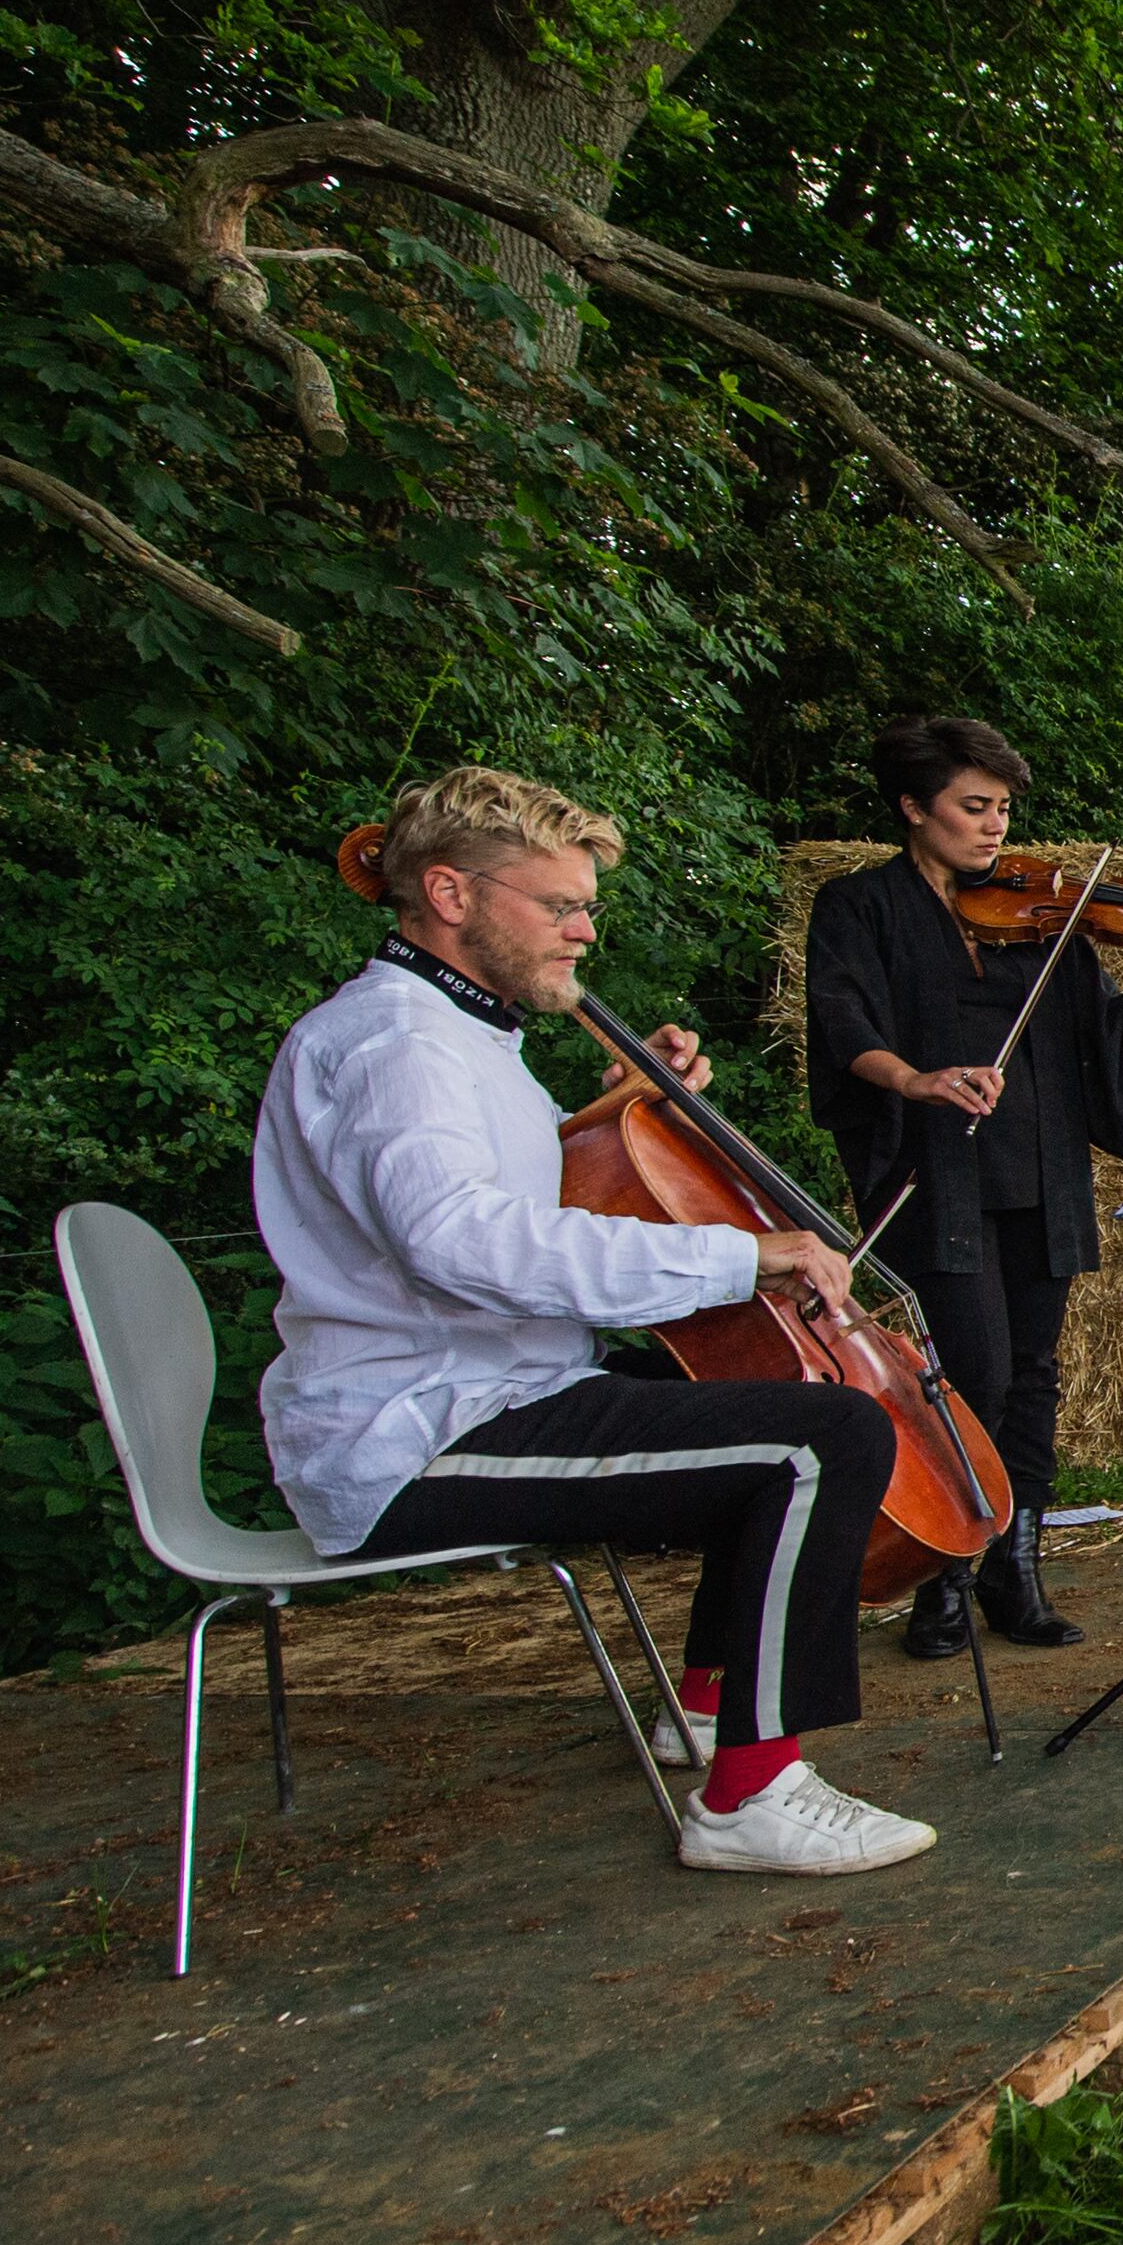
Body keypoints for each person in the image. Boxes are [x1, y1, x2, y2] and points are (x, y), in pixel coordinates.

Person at [252, 766, 936, 1877]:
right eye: (557, 905)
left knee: (769, 1408)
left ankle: (713, 1710)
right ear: (450, 893)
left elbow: (499, 1198)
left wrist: (628, 1116)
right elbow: (462, 1242)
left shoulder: (454, 1034)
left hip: (486, 1391)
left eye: (587, 907)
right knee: (828, 1439)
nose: (582, 932)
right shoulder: (398, 1046)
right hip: (410, 1433)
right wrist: (740, 1254)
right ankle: (751, 1794)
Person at [801, 714, 1123, 1659]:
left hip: (1042, 1172)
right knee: (966, 1374)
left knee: (1033, 1380)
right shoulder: (861, 907)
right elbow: (843, 1019)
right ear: (912, 808)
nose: (994, 828)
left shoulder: (1038, 919)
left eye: (1004, 809)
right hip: (939, 1175)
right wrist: (917, 1079)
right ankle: (943, 1574)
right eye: (974, 808)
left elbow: (1108, 1032)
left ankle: (1017, 1566)